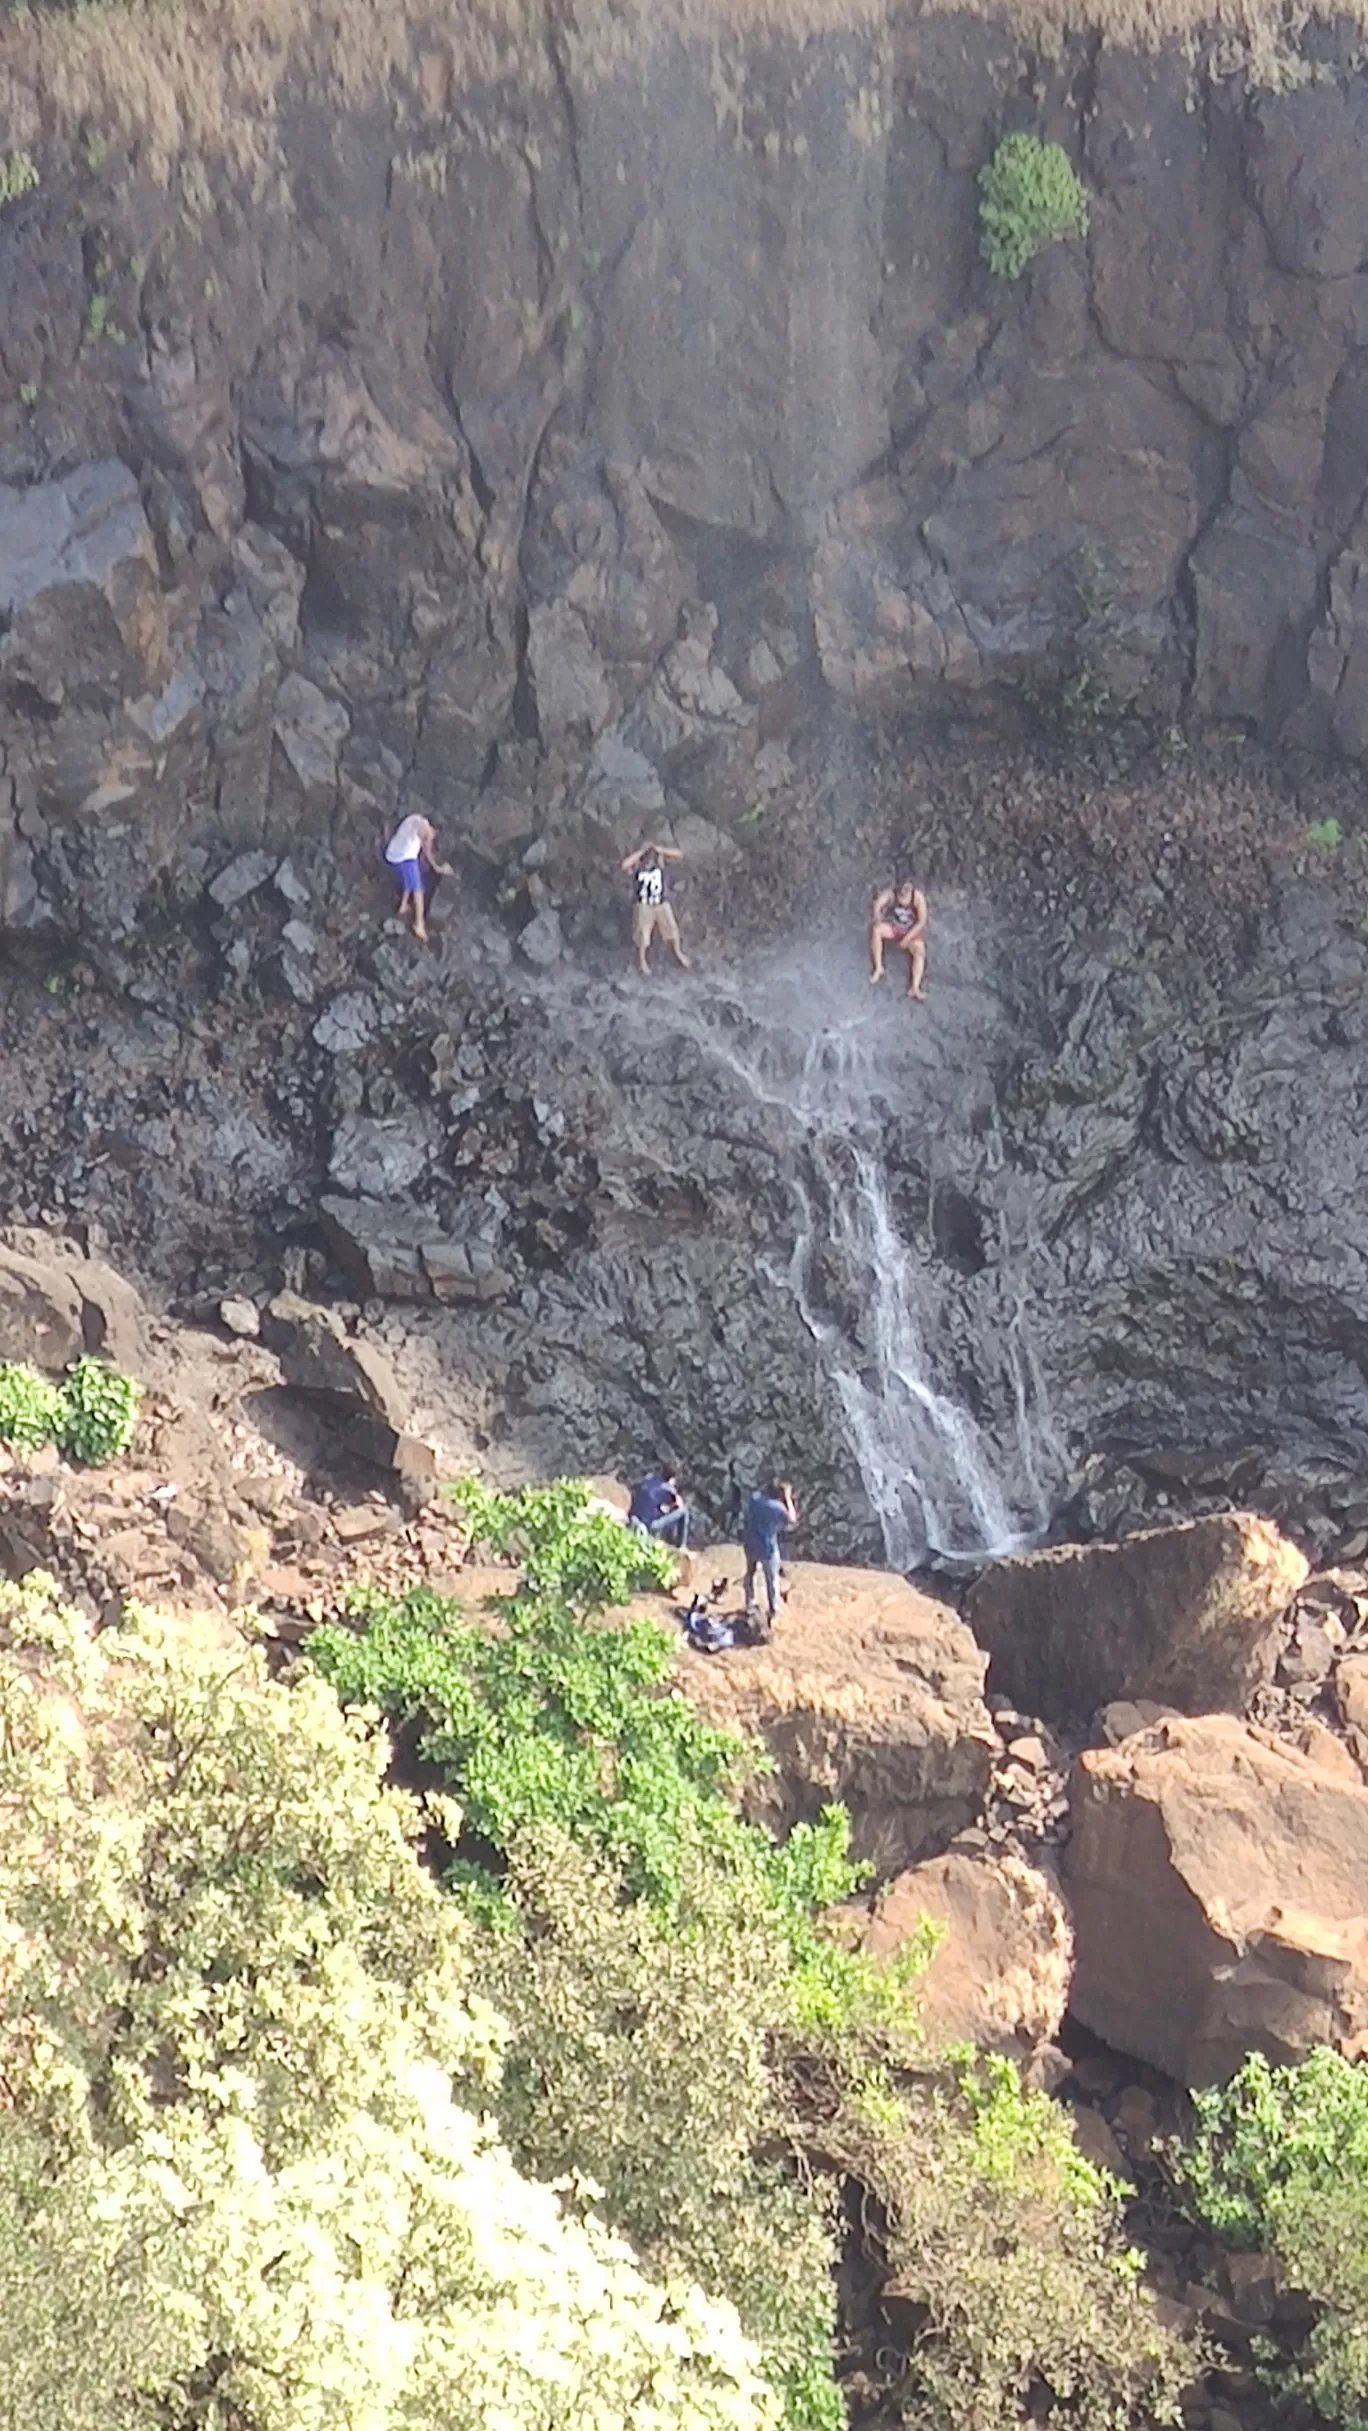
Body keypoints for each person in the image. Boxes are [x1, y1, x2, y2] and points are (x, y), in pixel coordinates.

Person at [620, 841, 690, 977]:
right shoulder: (637, 866)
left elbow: (679, 855)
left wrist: (661, 850)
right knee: (642, 934)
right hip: (644, 904)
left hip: (661, 902)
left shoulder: (660, 863)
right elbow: (624, 866)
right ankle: (642, 961)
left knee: (672, 929)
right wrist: (641, 853)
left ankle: (678, 953)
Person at [384, 812, 452, 944]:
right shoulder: (426, 829)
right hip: (402, 858)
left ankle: (403, 905)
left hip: (394, 853)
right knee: (418, 889)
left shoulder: (415, 818)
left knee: (412, 876)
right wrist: (438, 868)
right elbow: (427, 852)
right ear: (433, 827)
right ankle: (418, 924)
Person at [742, 1480, 797, 1634]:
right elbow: (792, 1521)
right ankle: (773, 1610)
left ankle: (749, 1603)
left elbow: (754, 1499)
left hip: (750, 1543)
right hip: (768, 1549)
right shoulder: (778, 1508)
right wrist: (788, 1499)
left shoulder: (755, 1499)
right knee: (771, 1580)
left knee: (750, 1573)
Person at [869, 879, 927, 1000]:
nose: (904, 893)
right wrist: (877, 915)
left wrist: (908, 938)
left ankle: (915, 987)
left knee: (920, 951)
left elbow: (921, 922)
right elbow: (878, 903)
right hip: (894, 927)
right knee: (877, 930)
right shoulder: (892, 894)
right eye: (902, 891)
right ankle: (878, 967)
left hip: (910, 930)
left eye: (907, 890)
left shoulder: (917, 898)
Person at [628, 1467, 690, 1553]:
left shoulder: (650, 1481)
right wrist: (673, 1502)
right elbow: (679, 1504)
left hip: (635, 1518)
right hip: (650, 1525)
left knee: (658, 1511)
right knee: (683, 1511)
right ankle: (682, 1546)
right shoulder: (667, 1488)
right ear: (672, 1479)